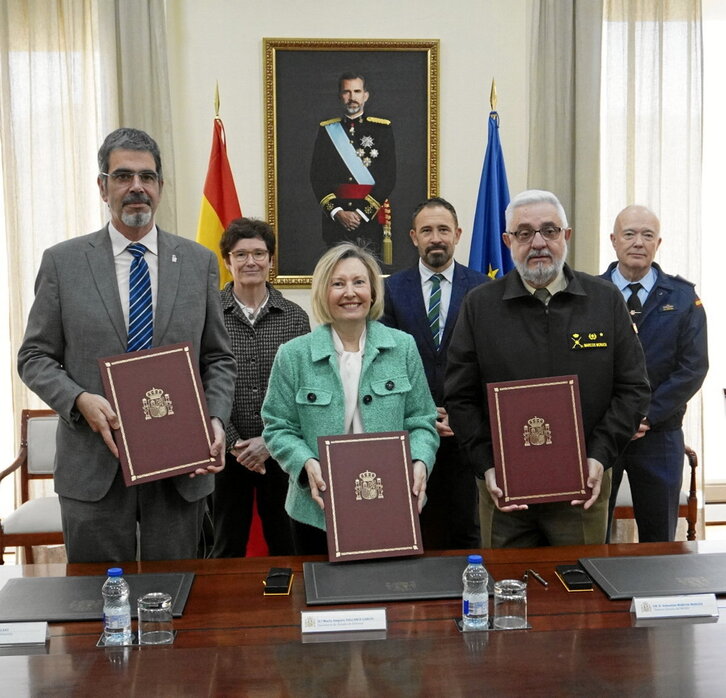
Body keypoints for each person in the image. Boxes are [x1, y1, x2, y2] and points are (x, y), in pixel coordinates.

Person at [17, 128, 236, 563]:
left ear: (160, 187)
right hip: (94, 467)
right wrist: (78, 399)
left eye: (147, 177)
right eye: (122, 176)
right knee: (95, 609)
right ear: (103, 187)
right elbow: (34, 357)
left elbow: (218, 359)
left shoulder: (198, 262)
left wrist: (213, 420)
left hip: (180, 466)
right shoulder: (63, 262)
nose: (137, 187)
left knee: (175, 604)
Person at [445, 189, 650, 548]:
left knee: (582, 594)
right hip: (503, 489)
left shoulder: (604, 300)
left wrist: (600, 456)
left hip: (583, 488)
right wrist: (487, 465)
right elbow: (460, 397)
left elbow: (633, 389)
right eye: (524, 233)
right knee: (505, 593)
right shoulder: (480, 305)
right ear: (508, 241)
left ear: (566, 236)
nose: (538, 242)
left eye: (550, 230)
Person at [262, 243, 439, 554]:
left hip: (391, 503)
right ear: (322, 292)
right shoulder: (294, 355)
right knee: (320, 598)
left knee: (388, 596)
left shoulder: (403, 347)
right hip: (316, 511)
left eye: (359, 282)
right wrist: (305, 463)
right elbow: (278, 427)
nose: (350, 292)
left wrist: (420, 460)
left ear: (372, 290)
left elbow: (421, 421)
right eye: (338, 283)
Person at [382, 197, 489, 548]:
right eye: (427, 230)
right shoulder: (390, 290)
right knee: (413, 527)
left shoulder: (483, 290)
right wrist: (425, 414)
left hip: (467, 431)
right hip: (410, 430)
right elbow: (386, 360)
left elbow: (488, 361)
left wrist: (459, 414)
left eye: (443, 229)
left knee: (466, 530)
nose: (436, 238)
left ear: (457, 234)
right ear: (413, 237)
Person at [602, 205, 708, 542]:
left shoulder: (682, 297)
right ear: (614, 240)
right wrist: (620, 418)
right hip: (602, 432)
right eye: (630, 234)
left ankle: (655, 596)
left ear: (658, 243)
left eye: (647, 235)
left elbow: (692, 367)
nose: (638, 242)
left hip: (660, 434)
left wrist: (646, 415)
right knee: (591, 535)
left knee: (660, 539)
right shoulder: (588, 294)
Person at [212, 217, 310, 557]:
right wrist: (234, 441)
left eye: (258, 253)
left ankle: (291, 610)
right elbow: (200, 381)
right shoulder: (208, 314)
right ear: (227, 261)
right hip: (224, 452)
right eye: (240, 255)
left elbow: (305, 388)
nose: (250, 262)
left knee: (288, 543)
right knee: (226, 545)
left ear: (270, 260)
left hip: (281, 451)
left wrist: (269, 442)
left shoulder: (295, 317)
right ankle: (224, 611)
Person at [310, 72, 396, 254]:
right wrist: (338, 212)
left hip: (369, 219)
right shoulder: (327, 130)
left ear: (365, 95)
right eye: (346, 92)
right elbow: (317, 178)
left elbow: (388, 177)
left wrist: (361, 213)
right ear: (340, 96)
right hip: (336, 221)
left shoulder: (382, 130)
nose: (352, 97)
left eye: (357, 91)